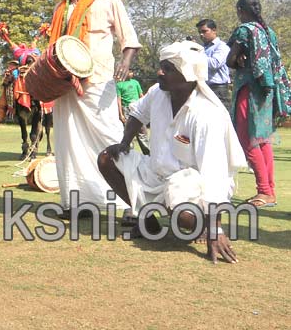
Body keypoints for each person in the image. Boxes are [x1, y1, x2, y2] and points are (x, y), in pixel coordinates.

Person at [97, 41, 246, 264]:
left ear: (186, 74)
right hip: (155, 173)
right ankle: (146, 219)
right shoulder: (157, 92)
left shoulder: (206, 114)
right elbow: (137, 113)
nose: (160, 72)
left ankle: (200, 226)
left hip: (189, 184)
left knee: (184, 216)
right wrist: (125, 142)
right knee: (108, 158)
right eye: (161, 66)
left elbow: (215, 175)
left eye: (167, 68)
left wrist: (215, 229)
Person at [48, 0, 140, 212]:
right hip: (65, 84)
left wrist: (125, 63)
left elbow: (129, 40)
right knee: (69, 144)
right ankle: (78, 203)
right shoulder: (61, 8)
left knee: (111, 138)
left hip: (99, 82)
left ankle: (131, 202)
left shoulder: (108, 2)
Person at [226, 0, 291, 208]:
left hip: (249, 90)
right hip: (267, 90)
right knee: (263, 141)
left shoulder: (245, 30)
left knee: (248, 140)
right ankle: (269, 191)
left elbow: (229, 60)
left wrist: (238, 59)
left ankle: (263, 191)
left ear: (239, 10)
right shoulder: (268, 31)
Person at [196, 18, 231, 107]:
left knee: (222, 118)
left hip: (218, 89)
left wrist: (198, 53)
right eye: (199, 32)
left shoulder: (222, 47)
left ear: (214, 30)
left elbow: (214, 64)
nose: (201, 34)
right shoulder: (203, 48)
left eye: (204, 31)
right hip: (204, 88)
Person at [115, 69, 149, 153]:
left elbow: (141, 95)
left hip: (138, 107)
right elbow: (118, 100)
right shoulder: (119, 85)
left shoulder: (135, 82)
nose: (131, 73)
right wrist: (121, 114)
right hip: (126, 109)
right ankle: (130, 153)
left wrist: (146, 107)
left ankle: (147, 153)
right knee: (128, 132)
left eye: (132, 72)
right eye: (129, 71)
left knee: (142, 132)